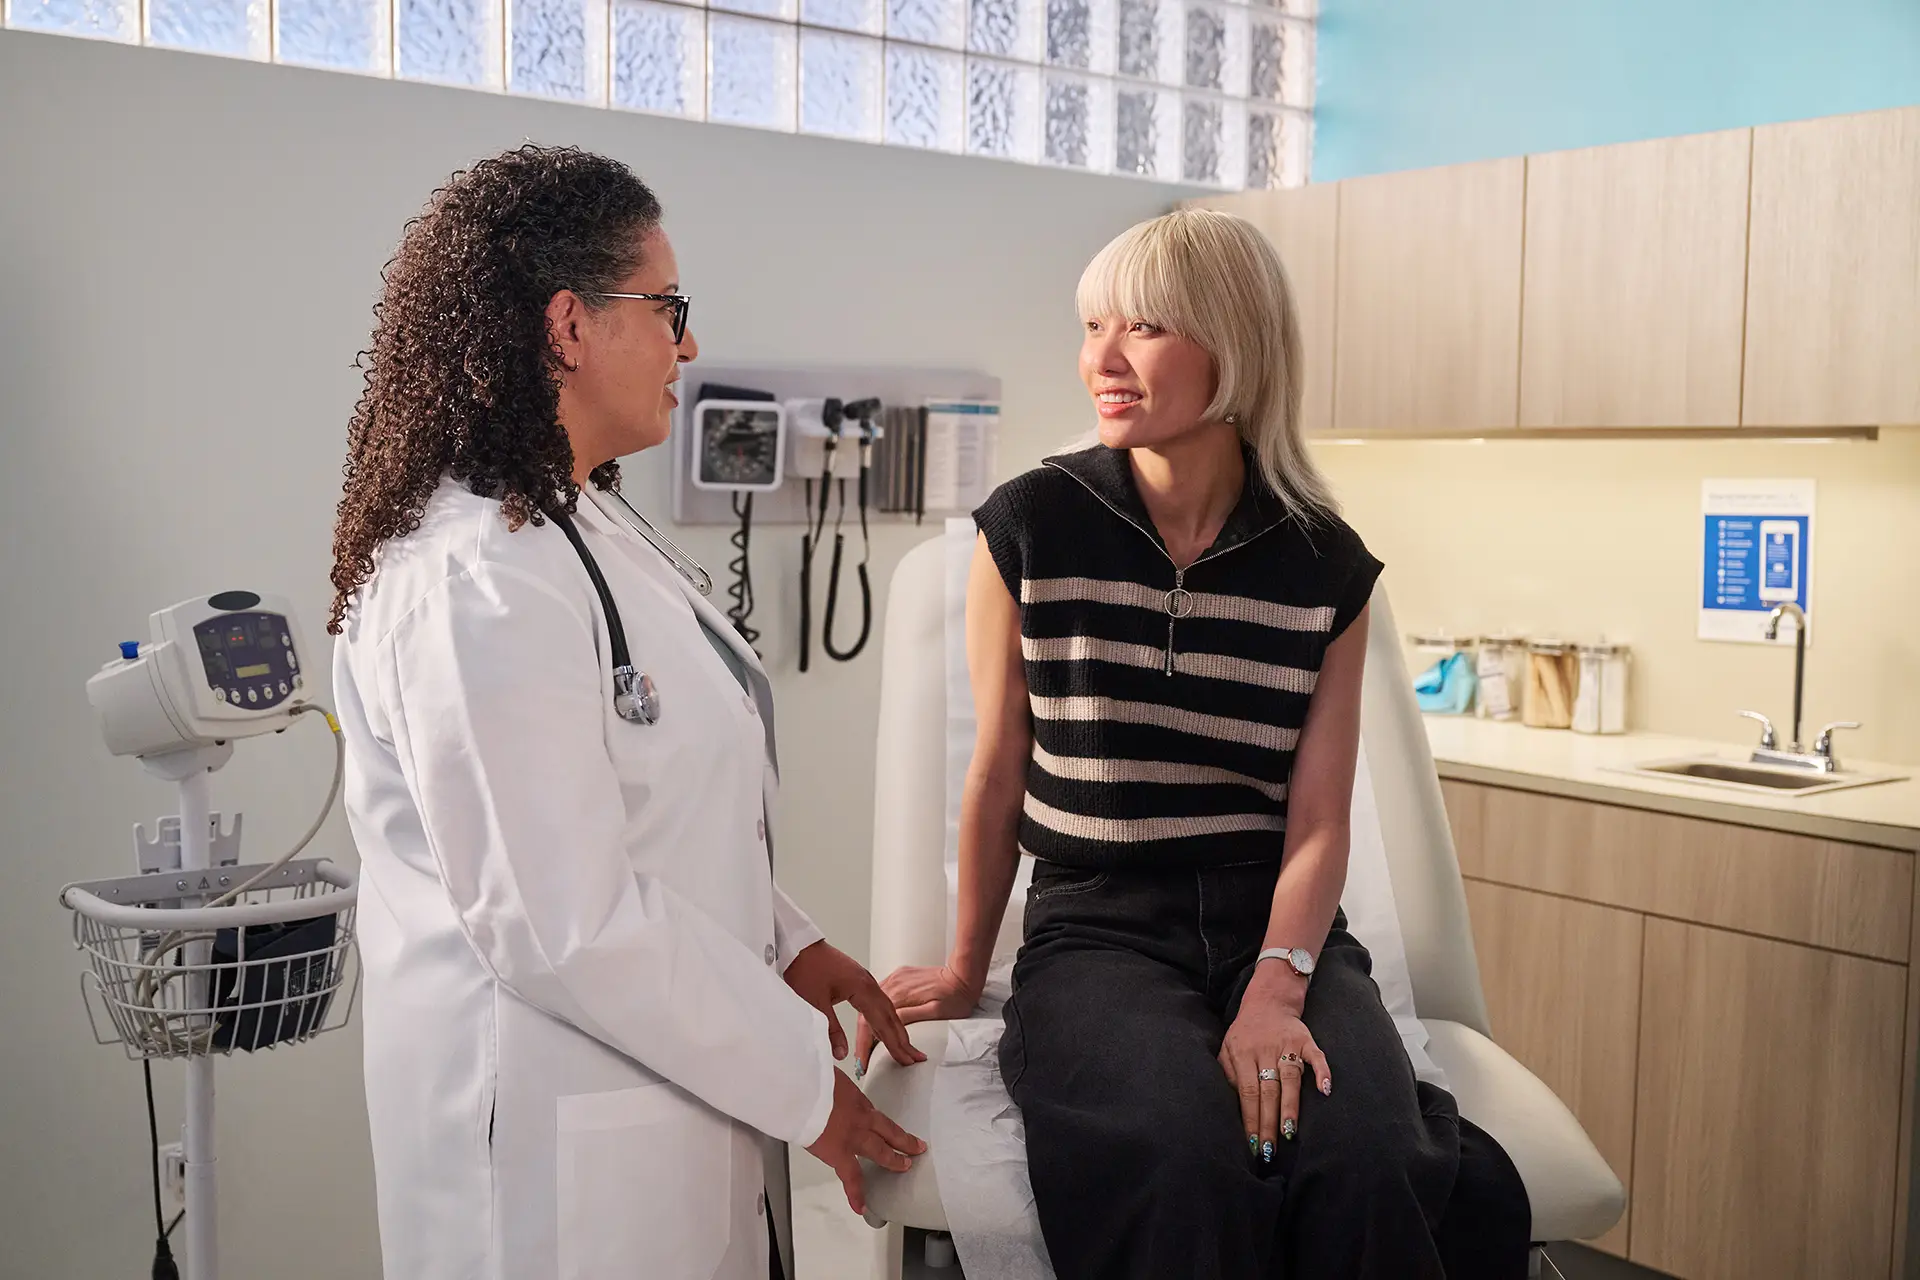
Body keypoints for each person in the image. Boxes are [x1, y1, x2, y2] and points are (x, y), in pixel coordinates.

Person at [857, 209, 1531, 1277]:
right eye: (1093, 327)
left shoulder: (1327, 567)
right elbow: (995, 775)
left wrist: (1276, 988)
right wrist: (964, 965)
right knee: (1177, 1155)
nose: (1102, 359)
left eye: (1144, 328)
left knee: (1367, 1157)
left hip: (1279, 927)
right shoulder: (1029, 525)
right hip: (1099, 929)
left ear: (1235, 345)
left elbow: (1319, 822)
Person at [328, 144, 925, 1280]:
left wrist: (787, 942)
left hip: (658, 1094)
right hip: (553, 1141)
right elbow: (565, 922)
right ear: (570, 325)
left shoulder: (578, 528)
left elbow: (651, 807)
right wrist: (806, 1086)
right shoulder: (477, 580)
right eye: (668, 308)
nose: (687, 346)